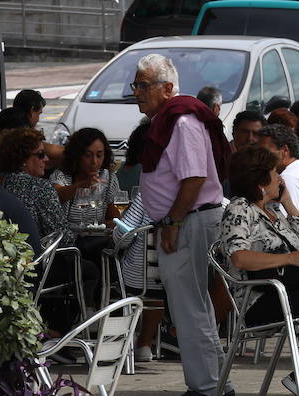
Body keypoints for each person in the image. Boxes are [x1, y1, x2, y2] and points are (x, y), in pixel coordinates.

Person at [132, 52, 231, 396]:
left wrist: (172, 221)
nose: (137, 92)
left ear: (167, 88)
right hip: (185, 219)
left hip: (189, 220)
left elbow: (194, 178)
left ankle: (206, 387)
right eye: (136, 85)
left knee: (190, 308)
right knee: (194, 307)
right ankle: (214, 384)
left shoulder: (182, 122)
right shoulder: (171, 120)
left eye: (144, 85)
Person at [219, 145, 299, 396]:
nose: (281, 178)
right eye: (276, 173)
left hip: (292, 291)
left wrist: (287, 203)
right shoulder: (239, 210)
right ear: (260, 181)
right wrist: (289, 258)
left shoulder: (274, 210)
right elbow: (240, 257)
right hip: (261, 298)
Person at [111, 119, 165, 364]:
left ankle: (122, 341)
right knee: (156, 290)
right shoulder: (186, 194)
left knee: (111, 265)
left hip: (137, 276)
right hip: (168, 276)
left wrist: (115, 227)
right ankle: (145, 343)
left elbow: (124, 235)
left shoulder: (147, 191)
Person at [0, 127, 70, 243]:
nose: (46, 159)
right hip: (37, 258)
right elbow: (63, 238)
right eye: (41, 154)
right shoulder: (40, 187)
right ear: (22, 159)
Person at [49, 127, 123, 237]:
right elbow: (55, 196)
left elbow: (114, 220)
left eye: (99, 155)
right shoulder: (62, 176)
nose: (94, 161)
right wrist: (82, 185)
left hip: (96, 242)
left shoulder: (108, 178)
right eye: (88, 155)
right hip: (68, 244)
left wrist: (96, 228)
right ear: (77, 156)